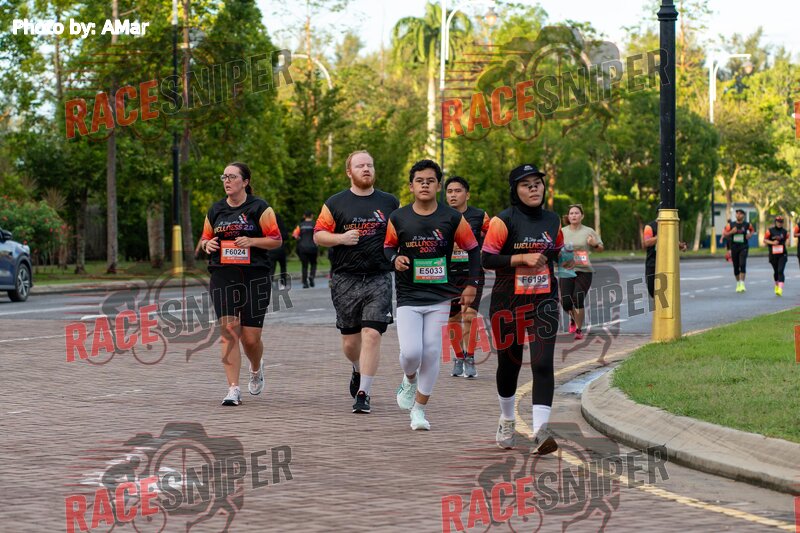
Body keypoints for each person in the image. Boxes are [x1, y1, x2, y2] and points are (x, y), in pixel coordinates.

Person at [481, 164, 573, 454]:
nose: (534, 188)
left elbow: (557, 252)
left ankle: (541, 432)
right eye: (526, 184)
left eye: (537, 183)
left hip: (543, 301)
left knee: (543, 363)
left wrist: (567, 260)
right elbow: (486, 259)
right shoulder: (503, 221)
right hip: (507, 303)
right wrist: (521, 258)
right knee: (510, 365)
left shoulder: (552, 220)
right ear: (515, 190)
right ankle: (507, 420)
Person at [386, 160, 481, 430]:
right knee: (411, 353)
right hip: (408, 294)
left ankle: (419, 410)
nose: (425, 185)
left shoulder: (452, 218)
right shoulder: (398, 217)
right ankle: (409, 379)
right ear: (411, 186)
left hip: (440, 295)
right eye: (420, 181)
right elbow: (388, 247)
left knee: (431, 352)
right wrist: (395, 258)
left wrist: (472, 283)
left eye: (430, 181)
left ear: (438, 185)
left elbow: (473, 249)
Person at [314, 150, 400, 414]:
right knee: (351, 343)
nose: (366, 169)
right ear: (349, 172)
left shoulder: (390, 202)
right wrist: (340, 238)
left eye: (370, 165)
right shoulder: (335, 203)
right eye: (360, 165)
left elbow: (401, 233)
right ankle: (356, 368)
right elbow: (318, 235)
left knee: (372, 334)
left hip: (378, 277)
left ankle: (364, 393)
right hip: (345, 278)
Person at [200, 162, 283, 405]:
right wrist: (207, 245)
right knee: (229, 332)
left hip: (255, 276)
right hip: (223, 275)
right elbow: (205, 238)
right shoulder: (216, 210)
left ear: (245, 182)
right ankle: (233, 389)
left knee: (250, 339)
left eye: (232, 177)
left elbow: (276, 240)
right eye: (224, 177)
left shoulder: (260, 208)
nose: (227, 181)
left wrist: (252, 241)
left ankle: (256, 368)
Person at [444, 175, 490, 378]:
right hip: (447, 275)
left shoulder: (480, 216)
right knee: (453, 318)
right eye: (449, 191)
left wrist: (486, 254)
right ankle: (458, 356)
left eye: (458, 191)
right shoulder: (439, 215)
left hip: (472, 273)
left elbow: (494, 237)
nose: (453, 195)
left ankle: (470, 357)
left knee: (469, 315)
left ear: (467, 194)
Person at [560, 204, 603, 341]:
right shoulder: (562, 232)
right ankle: (573, 318)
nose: (574, 215)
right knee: (566, 302)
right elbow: (554, 248)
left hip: (584, 270)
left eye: (576, 213)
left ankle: (579, 329)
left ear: (582, 216)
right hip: (566, 269)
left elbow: (600, 248)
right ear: (568, 216)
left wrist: (594, 244)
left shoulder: (588, 231)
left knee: (578, 298)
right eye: (571, 213)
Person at [643, 219, 687, 299]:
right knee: (651, 288)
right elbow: (647, 242)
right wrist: (660, 236)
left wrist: (681, 246)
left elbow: (673, 239)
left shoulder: (669, 226)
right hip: (652, 262)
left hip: (666, 263)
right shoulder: (649, 227)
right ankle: (658, 303)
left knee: (666, 291)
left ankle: (663, 305)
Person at [722, 209, 754, 292]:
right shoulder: (731, 224)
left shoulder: (747, 224)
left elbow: (752, 230)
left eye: (740, 214)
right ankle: (738, 283)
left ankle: (742, 284)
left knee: (742, 264)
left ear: (743, 215)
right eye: (737, 214)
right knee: (736, 267)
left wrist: (750, 235)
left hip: (743, 247)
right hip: (734, 247)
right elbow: (725, 234)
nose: (738, 215)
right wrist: (731, 232)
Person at [293, 210, 319, 288]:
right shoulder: (315, 224)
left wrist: (300, 239)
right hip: (313, 247)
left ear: (304, 216)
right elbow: (318, 234)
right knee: (313, 263)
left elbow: (295, 235)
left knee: (304, 266)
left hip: (302, 247)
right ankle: (311, 276)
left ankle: (305, 283)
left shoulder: (300, 225)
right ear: (312, 216)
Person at [763, 215, 788, 296]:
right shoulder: (770, 231)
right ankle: (777, 284)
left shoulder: (785, 232)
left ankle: (780, 289)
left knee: (780, 270)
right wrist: (772, 243)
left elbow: (786, 240)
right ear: (775, 222)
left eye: (781, 222)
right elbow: (765, 240)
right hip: (773, 254)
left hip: (782, 254)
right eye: (778, 222)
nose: (779, 223)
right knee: (776, 272)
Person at [267, 213, 289, 289]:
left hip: (271, 250)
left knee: (271, 268)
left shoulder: (268, 227)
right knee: (283, 267)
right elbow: (286, 236)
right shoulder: (282, 227)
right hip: (281, 249)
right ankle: (283, 284)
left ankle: (270, 283)